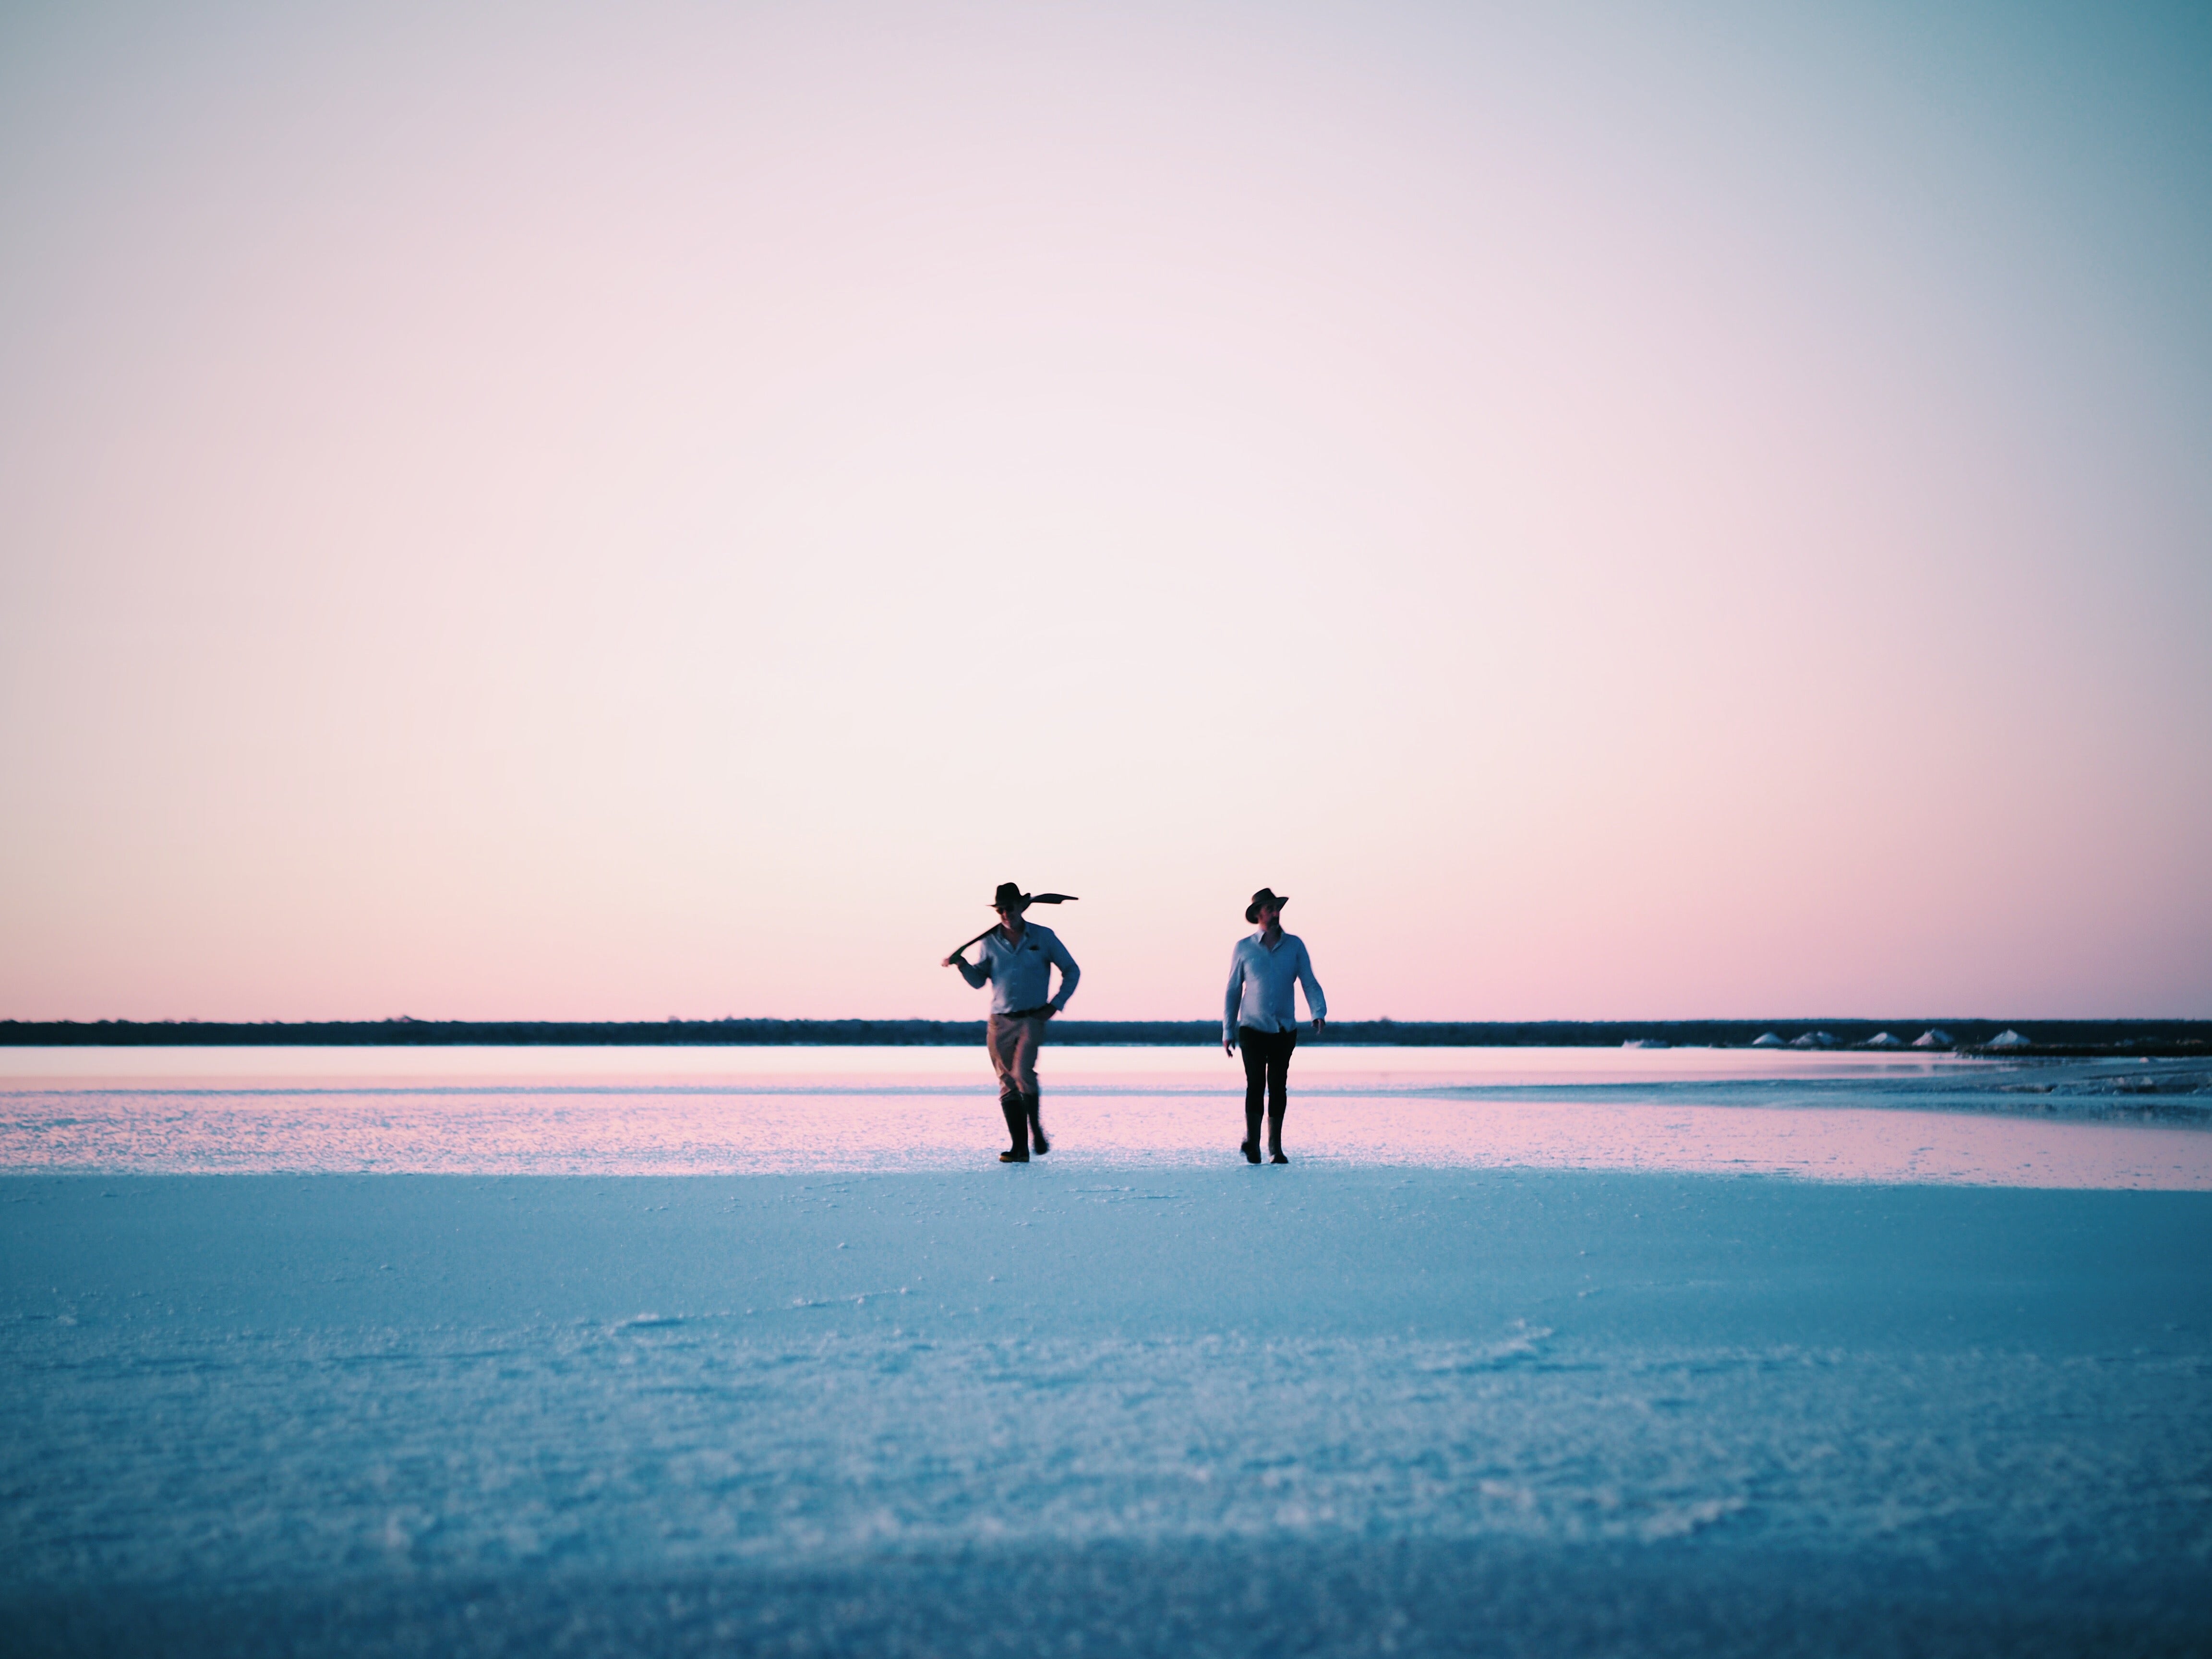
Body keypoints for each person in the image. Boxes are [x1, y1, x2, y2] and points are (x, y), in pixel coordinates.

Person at [943, 882, 1081, 1162]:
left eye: (1010, 908)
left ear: (1022, 907)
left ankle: (1036, 1132)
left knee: (1022, 1074)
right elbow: (979, 982)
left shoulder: (1043, 937)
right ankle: (1019, 1149)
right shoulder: (989, 941)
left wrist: (1055, 1005)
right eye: (1001, 909)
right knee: (1007, 1082)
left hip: (1032, 1018)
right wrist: (962, 965)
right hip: (999, 1022)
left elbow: (1072, 970)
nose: (1006, 913)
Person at [1223, 888, 1326, 1164]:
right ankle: (1253, 1144)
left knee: (1278, 1086)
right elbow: (1233, 990)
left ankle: (1275, 1148)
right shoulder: (1244, 948)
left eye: (1277, 908)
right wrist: (1228, 1030)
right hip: (1251, 1029)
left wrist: (1318, 1012)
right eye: (1270, 909)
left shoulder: (1294, 945)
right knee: (1255, 1084)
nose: (1276, 913)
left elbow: (1309, 981)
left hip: (1284, 1029)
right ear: (1258, 914)